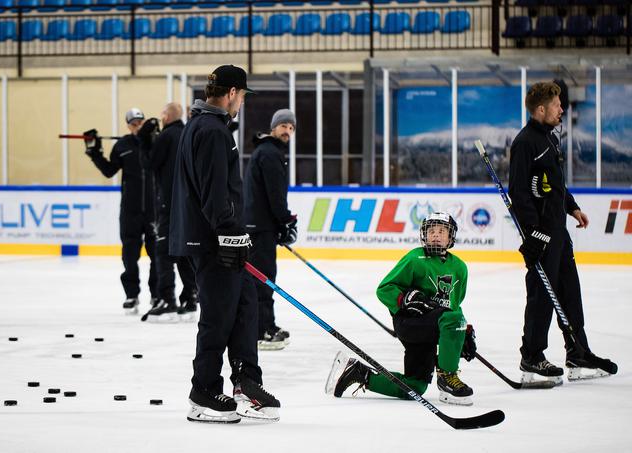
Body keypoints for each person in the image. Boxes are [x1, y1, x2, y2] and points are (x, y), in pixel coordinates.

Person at [169, 65, 280, 424]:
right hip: (213, 242)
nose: (242, 103)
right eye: (243, 96)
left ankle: (247, 382)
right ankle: (203, 391)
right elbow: (214, 193)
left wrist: (234, 233)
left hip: (220, 238)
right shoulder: (212, 130)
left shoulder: (205, 126)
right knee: (218, 317)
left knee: (245, 306)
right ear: (231, 93)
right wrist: (230, 232)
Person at [508, 81, 617, 383]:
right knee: (542, 295)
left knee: (570, 291)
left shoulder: (549, 139)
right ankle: (532, 357)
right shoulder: (526, 142)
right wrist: (533, 234)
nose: (562, 109)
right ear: (541, 109)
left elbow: (555, 185)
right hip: (541, 234)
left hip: (559, 230)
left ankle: (577, 351)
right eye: (556, 105)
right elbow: (519, 193)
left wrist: (572, 207)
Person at [326, 212, 477, 406]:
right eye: (432, 231)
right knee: (453, 321)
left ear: (451, 236)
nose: (436, 235)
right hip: (410, 322)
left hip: (434, 325)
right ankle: (447, 376)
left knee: (415, 387)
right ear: (424, 235)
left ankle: (359, 373)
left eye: (442, 231)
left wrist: (461, 332)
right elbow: (384, 289)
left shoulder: (459, 267)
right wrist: (404, 298)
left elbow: (454, 306)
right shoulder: (415, 258)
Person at [84, 108, 158, 314]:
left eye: (140, 123)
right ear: (128, 125)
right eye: (133, 124)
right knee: (129, 256)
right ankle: (131, 295)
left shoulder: (154, 143)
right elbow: (109, 171)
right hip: (130, 210)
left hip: (154, 211)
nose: (137, 126)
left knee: (158, 256)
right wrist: (94, 152)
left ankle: (157, 294)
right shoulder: (121, 145)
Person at [138, 103, 198, 323]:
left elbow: (149, 164)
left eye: (163, 113)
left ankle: (167, 299)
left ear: (167, 116)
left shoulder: (167, 135)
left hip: (169, 204)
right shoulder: (187, 133)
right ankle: (190, 297)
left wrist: (144, 140)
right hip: (187, 204)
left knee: (163, 251)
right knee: (182, 251)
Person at [243, 109, 298, 351]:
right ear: (273, 127)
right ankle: (261, 330)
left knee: (263, 278)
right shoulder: (270, 154)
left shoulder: (267, 151)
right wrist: (285, 221)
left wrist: (279, 223)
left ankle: (264, 325)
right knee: (263, 279)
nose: (287, 131)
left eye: (291, 128)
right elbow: (275, 195)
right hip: (259, 227)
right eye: (284, 126)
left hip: (260, 225)